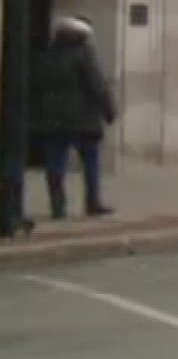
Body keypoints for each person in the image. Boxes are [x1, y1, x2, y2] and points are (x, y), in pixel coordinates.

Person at [32, 15, 117, 220]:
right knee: (90, 162)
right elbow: (97, 85)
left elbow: (36, 86)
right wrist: (109, 110)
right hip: (83, 118)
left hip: (52, 119)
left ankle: (57, 206)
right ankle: (93, 202)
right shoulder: (84, 55)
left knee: (55, 165)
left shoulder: (46, 55)